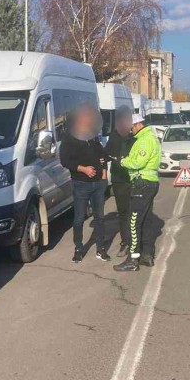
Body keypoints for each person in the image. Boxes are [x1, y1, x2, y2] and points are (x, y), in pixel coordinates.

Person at [60, 104, 110, 262]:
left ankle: (100, 248)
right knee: (79, 218)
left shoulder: (92, 135)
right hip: (81, 183)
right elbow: (65, 160)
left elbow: (102, 155)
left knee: (100, 217)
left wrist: (103, 175)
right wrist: (83, 169)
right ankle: (78, 248)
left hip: (98, 184)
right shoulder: (69, 137)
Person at [113, 114, 161, 272]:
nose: (131, 131)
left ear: (138, 125)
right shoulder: (148, 138)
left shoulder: (144, 140)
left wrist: (122, 161)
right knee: (146, 220)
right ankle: (147, 255)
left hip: (142, 184)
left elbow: (137, 162)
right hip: (149, 182)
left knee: (133, 222)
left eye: (132, 127)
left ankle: (132, 260)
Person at [105, 106, 136, 257]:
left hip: (135, 179)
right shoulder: (114, 136)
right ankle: (126, 242)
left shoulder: (135, 136)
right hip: (119, 180)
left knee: (135, 212)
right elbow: (107, 153)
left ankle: (137, 243)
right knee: (123, 213)